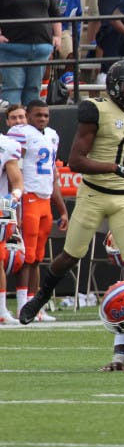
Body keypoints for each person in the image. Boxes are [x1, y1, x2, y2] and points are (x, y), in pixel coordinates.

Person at [19, 60, 124, 325]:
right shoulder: (96, 110)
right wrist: (116, 168)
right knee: (71, 255)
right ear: (114, 87)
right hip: (93, 194)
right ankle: (40, 299)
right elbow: (76, 161)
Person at [8, 100, 69, 322]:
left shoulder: (52, 135)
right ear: (28, 115)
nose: (42, 118)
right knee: (26, 255)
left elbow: (53, 176)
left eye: (45, 115)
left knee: (37, 257)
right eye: (38, 115)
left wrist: (62, 210)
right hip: (29, 197)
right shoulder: (21, 133)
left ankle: (34, 306)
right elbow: (11, 165)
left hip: (44, 200)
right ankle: (23, 304)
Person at [0, 0, 64, 106]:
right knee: (13, 89)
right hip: (13, 47)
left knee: (33, 89)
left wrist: (57, 36)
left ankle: (32, 129)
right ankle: (11, 128)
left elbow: (54, 12)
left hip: (41, 46)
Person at [0, 116, 25, 324]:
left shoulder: (6, 146)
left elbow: (17, 182)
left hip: (1, 205)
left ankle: (1, 310)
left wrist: (13, 200)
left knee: (1, 258)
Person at [44, 0, 84, 66]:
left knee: (73, 56)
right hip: (42, 30)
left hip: (63, 31)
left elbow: (77, 21)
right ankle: (44, 82)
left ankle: (67, 81)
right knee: (46, 56)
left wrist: (76, 44)